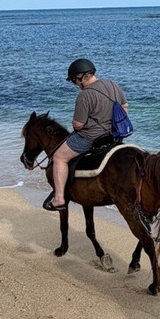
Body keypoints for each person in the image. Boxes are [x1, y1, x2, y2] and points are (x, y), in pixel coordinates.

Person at [46, 58, 129, 211]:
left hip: (92, 138)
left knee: (59, 157)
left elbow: (78, 124)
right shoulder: (112, 84)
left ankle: (58, 199)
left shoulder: (85, 95)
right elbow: (124, 107)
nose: (75, 85)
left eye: (74, 81)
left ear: (81, 77)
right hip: (114, 136)